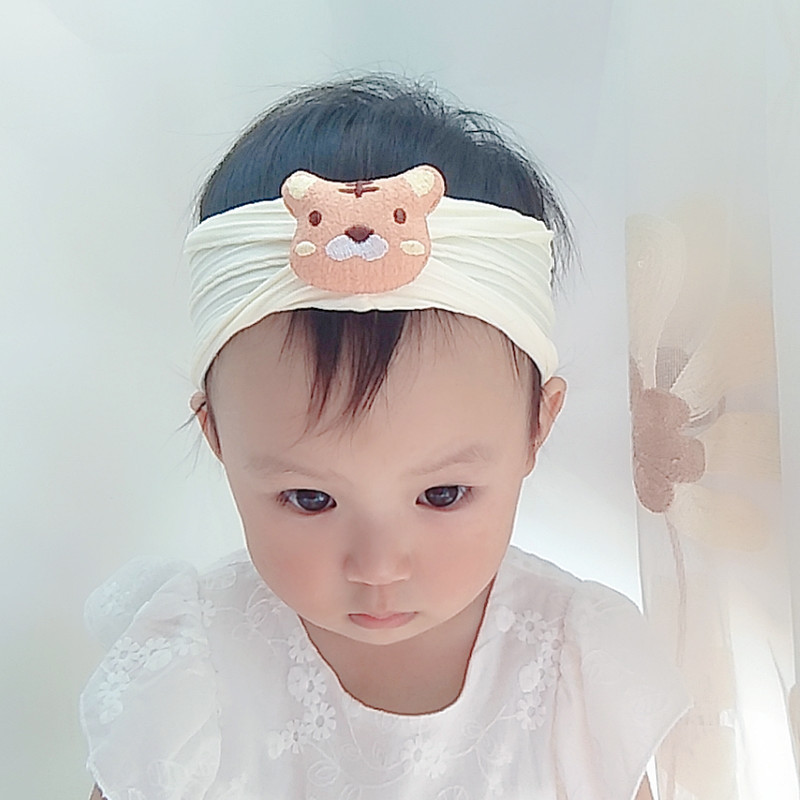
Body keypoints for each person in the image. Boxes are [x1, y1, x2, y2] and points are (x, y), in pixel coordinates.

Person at [80, 74, 692, 800]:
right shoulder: (193, 670)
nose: (378, 566)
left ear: (537, 426)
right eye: (310, 498)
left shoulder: (575, 675)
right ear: (217, 435)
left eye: (442, 494)